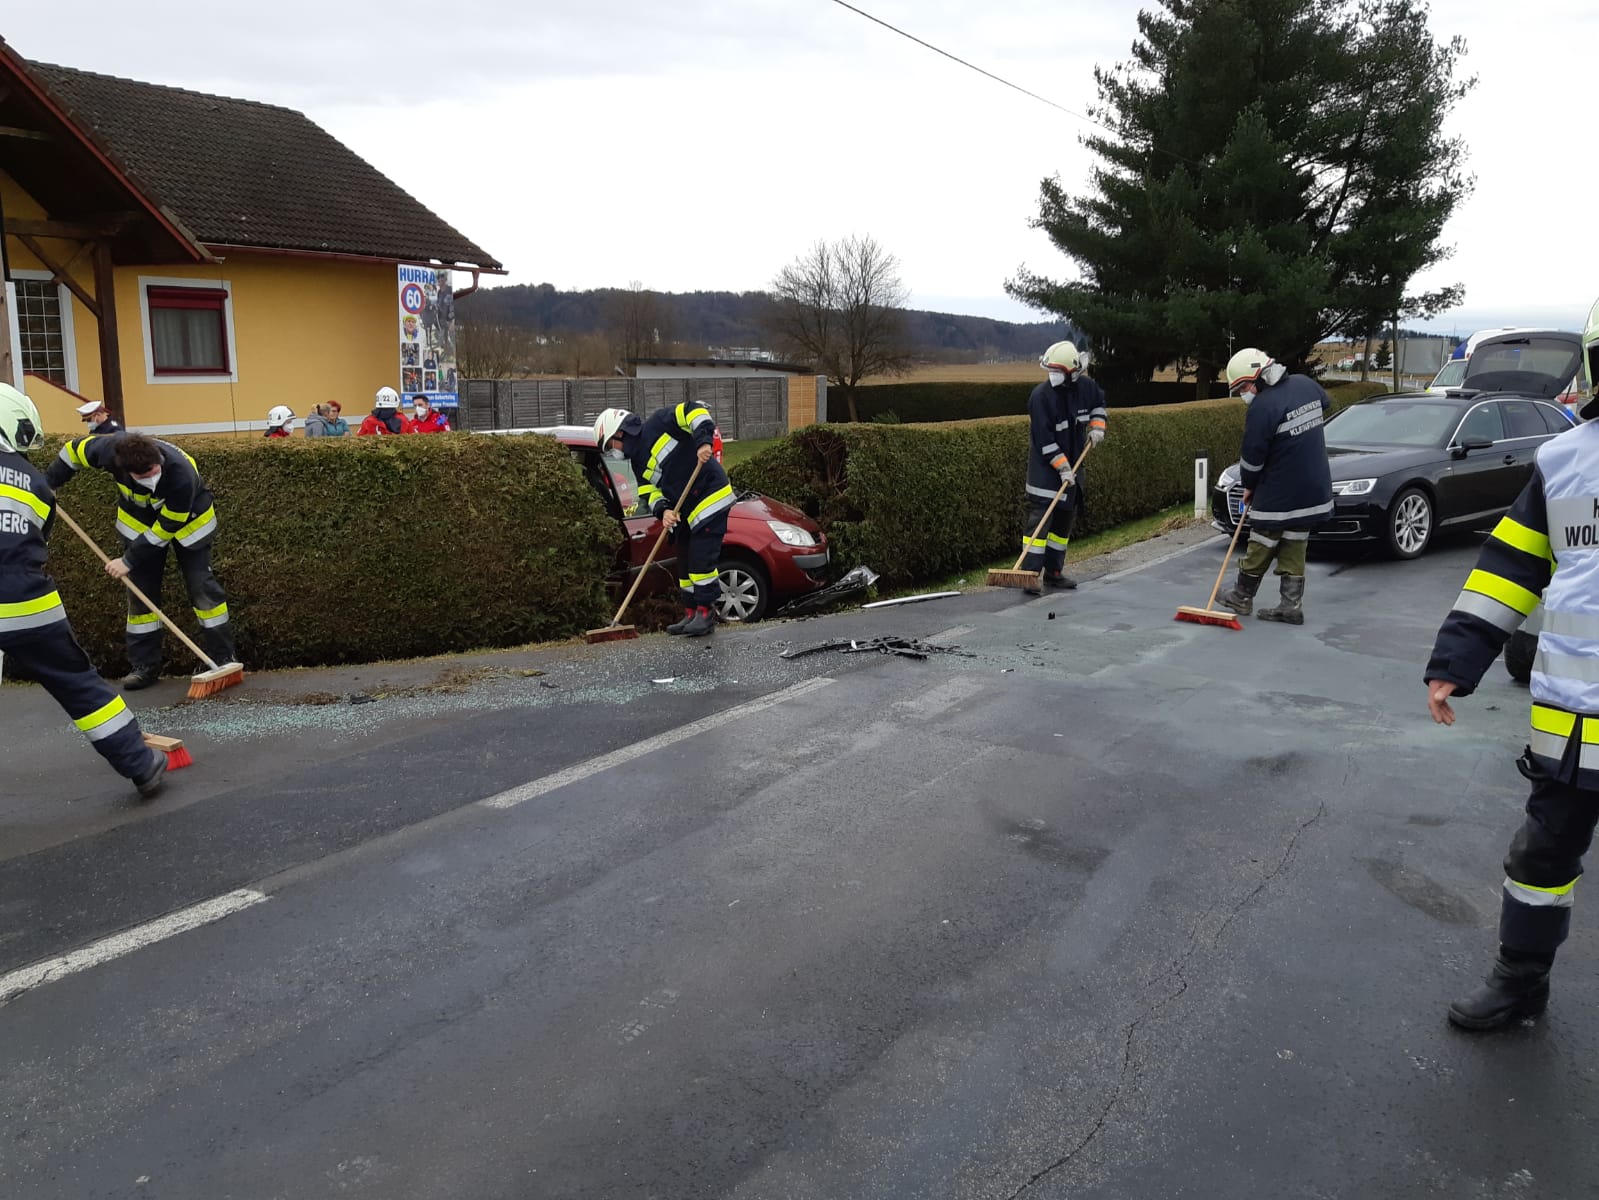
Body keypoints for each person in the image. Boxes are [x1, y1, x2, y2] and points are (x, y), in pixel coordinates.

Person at [1424, 296, 1599, 1031]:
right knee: (1540, 858)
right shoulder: (1565, 461)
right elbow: (1509, 571)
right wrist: (1455, 661)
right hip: (1574, 718)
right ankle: (1520, 981)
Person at [0, 383, 166, 798]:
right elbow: (37, 541)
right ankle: (141, 764)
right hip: (28, 605)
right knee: (78, 684)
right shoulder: (34, 483)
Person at [46, 431, 238, 691]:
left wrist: (128, 560)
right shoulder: (108, 450)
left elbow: (167, 527)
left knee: (202, 589)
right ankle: (144, 667)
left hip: (189, 524)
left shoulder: (180, 474)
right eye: (142, 475)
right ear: (125, 470)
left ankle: (224, 659)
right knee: (140, 594)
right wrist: (48, 484)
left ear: (158, 459)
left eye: (153, 470)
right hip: (138, 522)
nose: (151, 477)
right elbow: (72, 452)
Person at [595, 402, 733, 637]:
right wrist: (664, 511)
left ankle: (705, 613)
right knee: (685, 561)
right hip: (686, 509)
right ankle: (691, 613)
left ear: (620, 433)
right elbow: (648, 491)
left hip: (710, 497)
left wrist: (703, 442)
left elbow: (694, 411)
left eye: (610, 445)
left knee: (701, 559)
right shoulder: (637, 463)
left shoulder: (660, 422)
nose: (612, 452)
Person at [1216, 348, 1333, 623]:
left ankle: (1241, 595)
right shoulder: (1306, 384)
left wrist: (1249, 485)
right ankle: (1290, 605)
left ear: (1259, 377)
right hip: (1314, 487)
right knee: (1295, 540)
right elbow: (1324, 403)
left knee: (1263, 538)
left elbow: (1252, 458)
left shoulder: (1262, 407)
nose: (1244, 394)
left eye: (1243, 387)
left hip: (1280, 489)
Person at [1020, 341, 1108, 594]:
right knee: (1039, 526)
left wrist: (1097, 428)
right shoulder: (1040, 398)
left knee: (1061, 527)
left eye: (1057, 370)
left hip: (1073, 472)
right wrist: (1062, 468)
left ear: (1072, 372)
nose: (1053, 375)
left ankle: (1054, 573)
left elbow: (1098, 404)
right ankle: (1029, 575)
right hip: (1045, 475)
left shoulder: (1086, 388)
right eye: (1050, 370)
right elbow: (1044, 440)